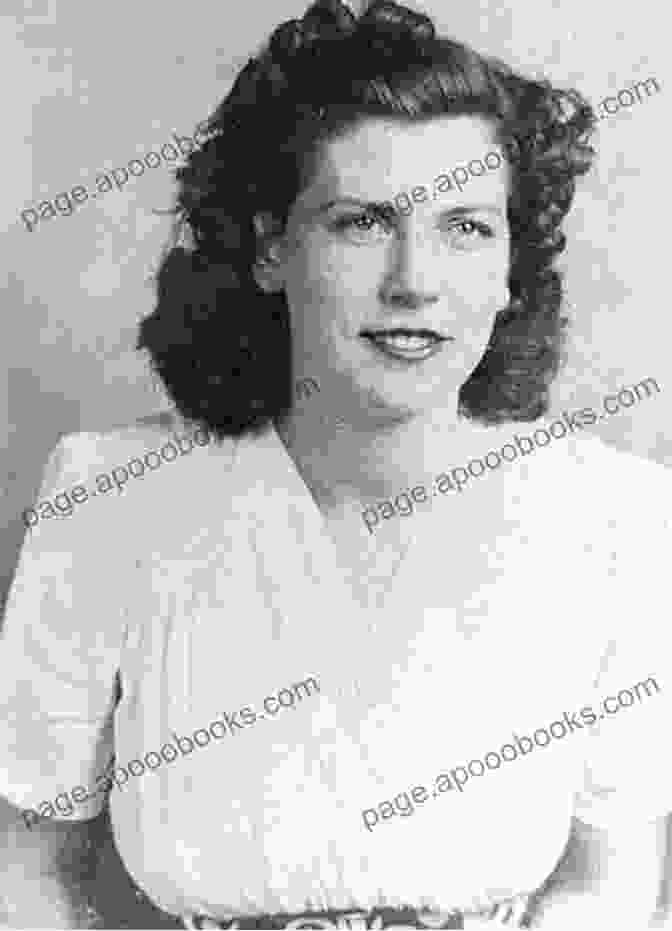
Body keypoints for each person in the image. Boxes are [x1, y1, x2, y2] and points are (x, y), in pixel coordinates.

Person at [1, 0, 671, 927]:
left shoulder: (620, 517)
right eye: (362, 221)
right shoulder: (111, 497)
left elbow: (612, 878)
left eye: (467, 227)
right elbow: (27, 867)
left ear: (511, 267)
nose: (415, 281)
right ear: (272, 248)